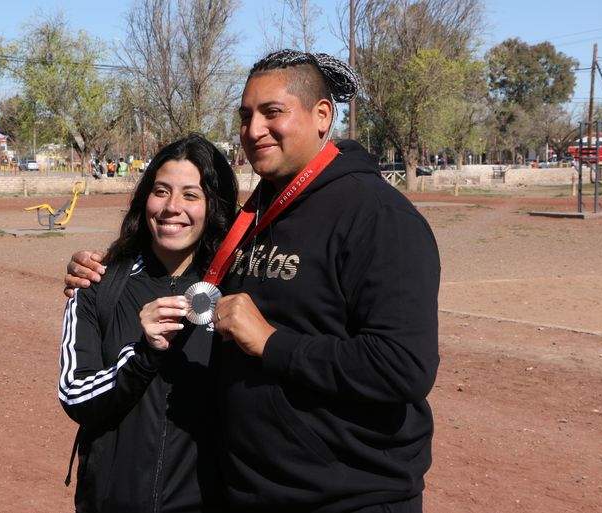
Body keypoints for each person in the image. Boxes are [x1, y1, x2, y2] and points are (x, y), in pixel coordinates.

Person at [65, 49, 440, 513]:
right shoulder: (257, 212)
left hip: (347, 496)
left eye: (272, 112)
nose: (254, 129)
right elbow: (184, 250)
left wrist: (271, 343)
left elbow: (403, 365)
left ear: (322, 116)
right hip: (252, 492)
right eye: (245, 116)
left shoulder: (377, 215)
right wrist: (106, 267)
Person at [59, 133, 238, 513]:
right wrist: (142, 354)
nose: (172, 207)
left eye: (191, 195)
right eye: (161, 191)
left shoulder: (236, 290)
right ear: (145, 200)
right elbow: (75, 394)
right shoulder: (97, 285)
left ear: (214, 206)